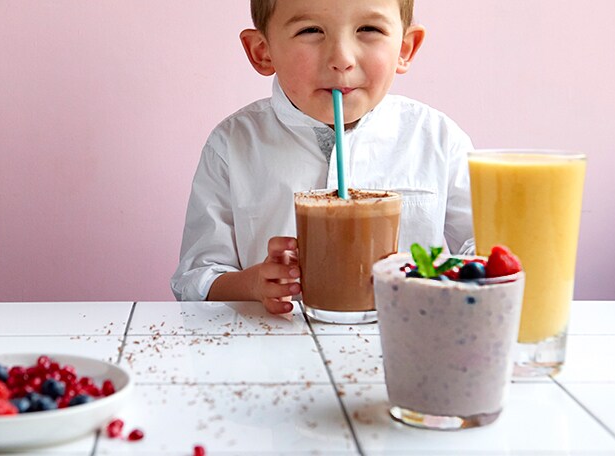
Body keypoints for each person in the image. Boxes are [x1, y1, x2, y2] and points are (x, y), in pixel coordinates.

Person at [171, 0, 475, 313]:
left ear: (405, 48)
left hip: (409, 345)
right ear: (263, 51)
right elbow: (196, 280)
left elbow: (486, 251)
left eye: (369, 29)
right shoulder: (233, 144)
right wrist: (253, 284)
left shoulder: (438, 139)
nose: (342, 59)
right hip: (272, 350)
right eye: (311, 30)